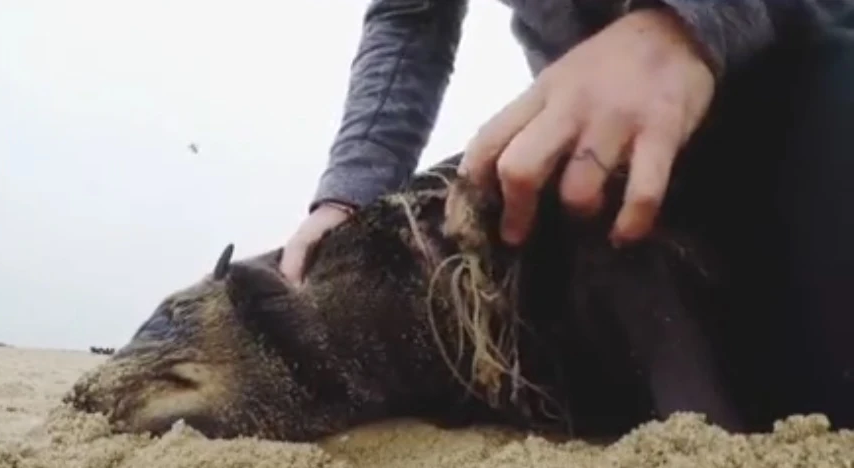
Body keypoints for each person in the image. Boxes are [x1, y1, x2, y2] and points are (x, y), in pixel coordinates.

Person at [279, 1, 854, 428]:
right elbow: (412, 16)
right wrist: (346, 198)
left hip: (799, 61)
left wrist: (683, 27)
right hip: (595, 162)